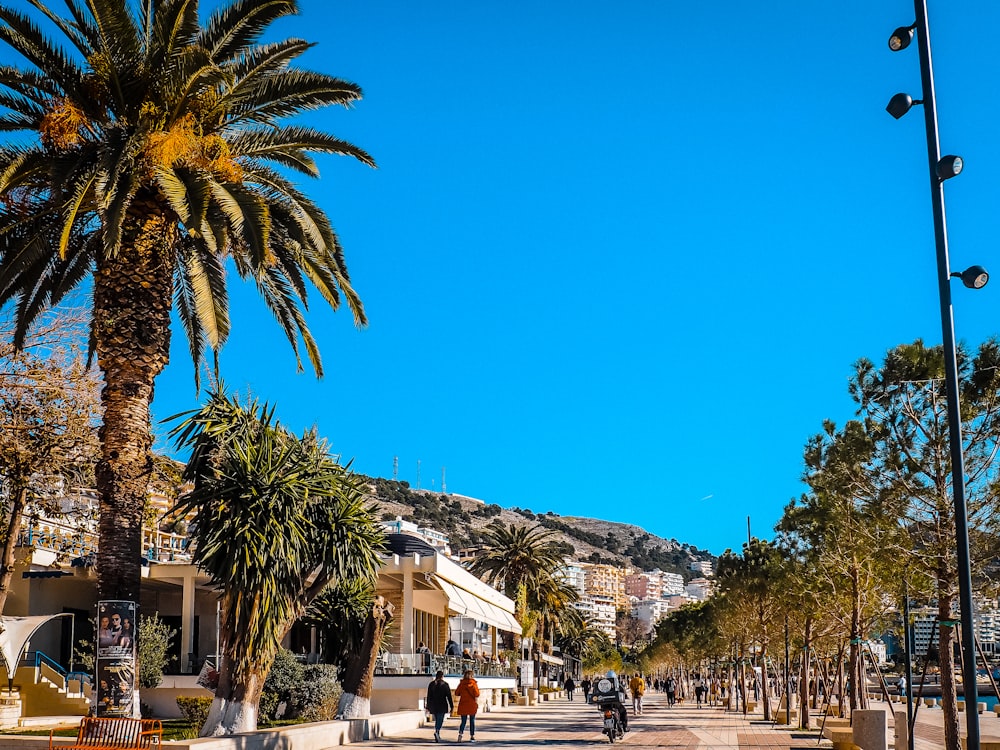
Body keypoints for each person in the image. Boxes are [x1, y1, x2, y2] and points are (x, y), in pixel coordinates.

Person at [425, 670, 453, 743]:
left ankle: (437, 732)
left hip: (433, 705)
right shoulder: (445, 685)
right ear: (442, 676)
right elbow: (449, 696)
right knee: (440, 720)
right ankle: (437, 731)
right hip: (442, 705)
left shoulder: (431, 684)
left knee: (437, 719)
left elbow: (429, 696)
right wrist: (452, 706)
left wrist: (428, 706)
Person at [455, 669, 480, 743]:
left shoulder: (462, 684)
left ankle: (460, 734)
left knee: (463, 721)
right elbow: (477, 694)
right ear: (472, 675)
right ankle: (472, 736)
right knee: (472, 721)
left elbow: (457, 693)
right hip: (472, 704)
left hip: (463, 704)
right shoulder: (473, 683)